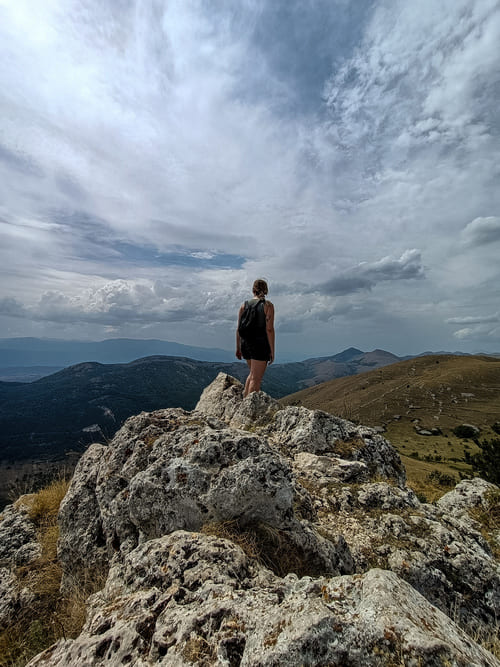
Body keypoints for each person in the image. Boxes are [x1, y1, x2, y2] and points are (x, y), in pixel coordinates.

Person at [236, 278, 275, 397]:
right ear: (266, 290)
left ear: (253, 290)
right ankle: (249, 410)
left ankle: (244, 405)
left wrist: (238, 348)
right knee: (256, 379)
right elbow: (269, 329)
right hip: (260, 345)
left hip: (245, 344)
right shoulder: (268, 306)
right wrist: (272, 350)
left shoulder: (244, 305)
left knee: (252, 375)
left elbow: (238, 328)